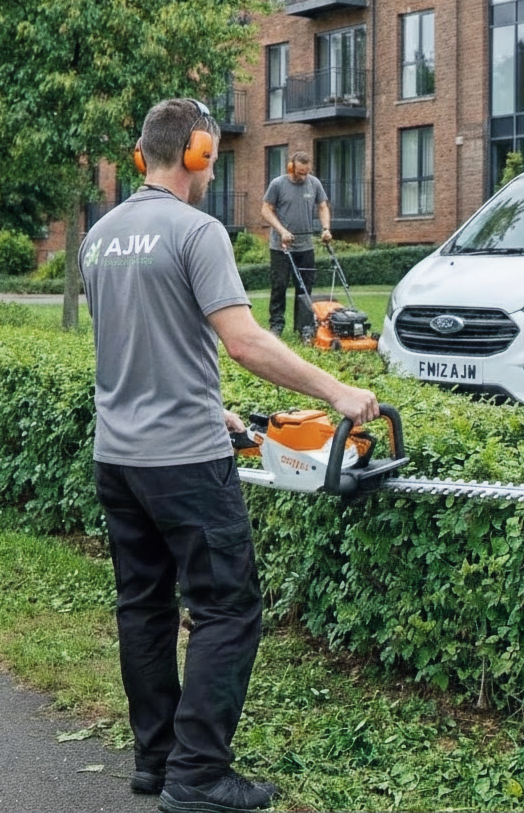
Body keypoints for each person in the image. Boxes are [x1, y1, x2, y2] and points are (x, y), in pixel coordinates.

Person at [80, 99, 378, 813]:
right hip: (182, 461)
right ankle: (199, 775)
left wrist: (207, 401)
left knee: (143, 607)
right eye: (211, 154)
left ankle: (156, 762)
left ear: (139, 155)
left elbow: (132, 342)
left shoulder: (100, 235)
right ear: (200, 154)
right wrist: (337, 388)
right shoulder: (197, 230)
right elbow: (244, 342)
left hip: (117, 457)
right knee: (228, 608)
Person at [260, 152, 332, 339]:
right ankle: (276, 325)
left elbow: (323, 206)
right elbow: (266, 210)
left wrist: (326, 228)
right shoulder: (278, 184)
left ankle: (303, 327)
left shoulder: (314, 183)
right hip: (281, 246)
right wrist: (282, 230)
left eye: (306, 172)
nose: (303, 176)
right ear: (291, 167)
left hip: (305, 245)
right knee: (280, 285)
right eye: (300, 172)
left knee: (305, 287)